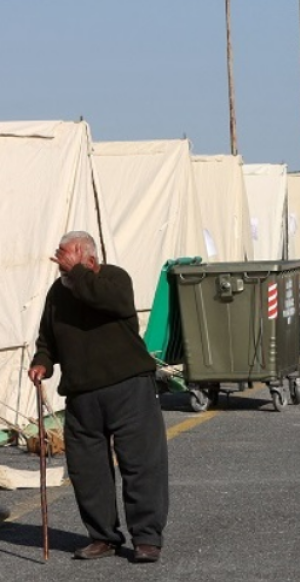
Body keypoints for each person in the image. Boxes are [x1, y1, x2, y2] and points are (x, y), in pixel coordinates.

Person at [27, 231, 168, 563]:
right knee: (87, 471)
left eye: (67, 258)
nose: (61, 264)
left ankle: (146, 538)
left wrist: (76, 274)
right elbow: (47, 337)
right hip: (82, 396)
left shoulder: (114, 279)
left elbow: (108, 301)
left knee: (141, 465)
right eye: (60, 258)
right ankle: (103, 537)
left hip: (129, 388)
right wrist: (42, 361)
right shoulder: (58, 292)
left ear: (89, 259)